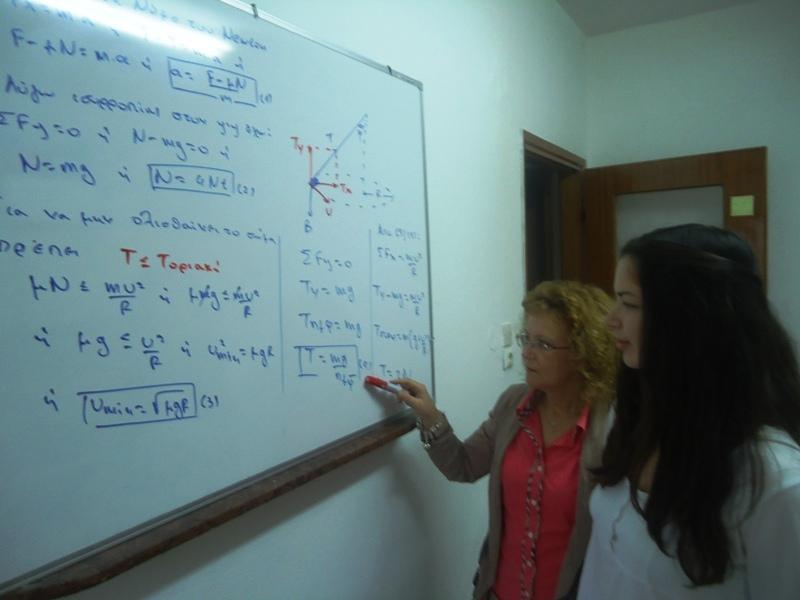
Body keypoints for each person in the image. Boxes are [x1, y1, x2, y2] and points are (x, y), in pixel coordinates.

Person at [578, 224, 800, 599]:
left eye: (629, 303)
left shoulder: (776, 486)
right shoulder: (632, 418)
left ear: (689, 319)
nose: (609, 319)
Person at [395, 280, 617, 600]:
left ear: (582, 354)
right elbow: (463, 465)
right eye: (526, 338)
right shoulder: (513, 405)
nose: (526, 352)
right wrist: (431, 417)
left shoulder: (609, 426)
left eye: (543, 344)